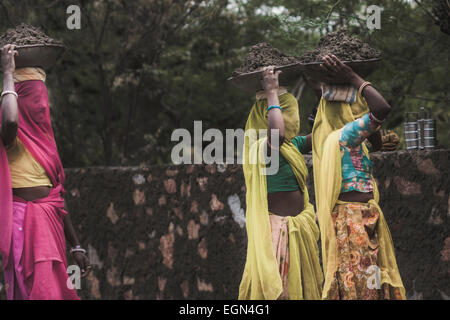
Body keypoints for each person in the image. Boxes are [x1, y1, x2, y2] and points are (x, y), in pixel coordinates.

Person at [311, 54, 405, 299]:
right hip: (354, 222)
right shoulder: (345, 135)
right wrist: (353, 77)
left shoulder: (330, 139)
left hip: (357, 220)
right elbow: (382, 109)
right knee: (365, 289)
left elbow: (375, 142)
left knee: (359, 286)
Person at [0, 44, 90, 300]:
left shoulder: (46, 140)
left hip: (49, 227)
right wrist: (7, 73)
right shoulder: (10, 133)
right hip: (21, 222)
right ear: (19, 99)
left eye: (44, 97)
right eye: (32, 97)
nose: (41, 104)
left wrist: (76, 245)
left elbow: (57, 197)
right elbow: (10, 121)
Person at [239, 66, 323, 300]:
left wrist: (320, 92)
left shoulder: (292, 145)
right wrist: (272, 92)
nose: (294, 117)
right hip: (276, 235)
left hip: (299, 231)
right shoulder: (261, 149)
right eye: (287, 111)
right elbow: (276, 135)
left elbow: (326, 132)